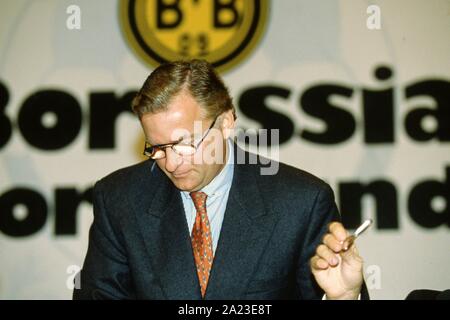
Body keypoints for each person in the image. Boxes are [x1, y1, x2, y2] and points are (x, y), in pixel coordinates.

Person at [73, 59, 367, 300]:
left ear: (226, 123)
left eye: (185, 143)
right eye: (158, 149)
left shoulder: (301, 202)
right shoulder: (119, 199)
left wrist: (344, 299)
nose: (173, 163)